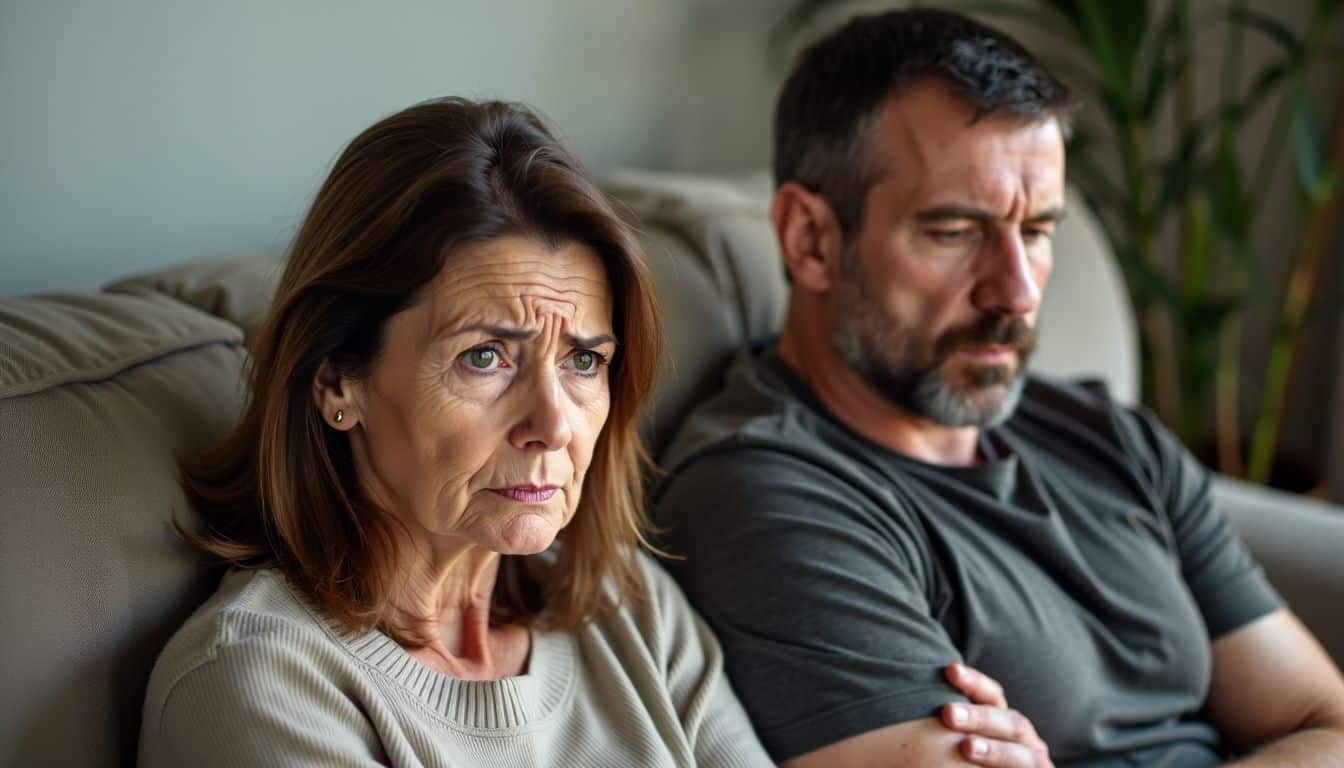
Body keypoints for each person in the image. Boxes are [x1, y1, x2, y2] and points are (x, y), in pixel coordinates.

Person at [653, 9, 1344, 768]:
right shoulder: (767, 493)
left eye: (1038, 230)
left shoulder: (1110, 434)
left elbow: (1328, 718)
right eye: (955, 232)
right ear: (810, 239)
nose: (1015, 292)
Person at [138, 98, 777, 767]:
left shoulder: (629, 603)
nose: (554, 425)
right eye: (485, 357)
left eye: (582, 360)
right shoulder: (260, 686)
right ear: (335, 383)